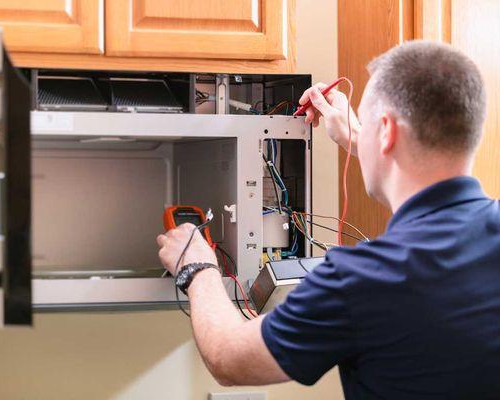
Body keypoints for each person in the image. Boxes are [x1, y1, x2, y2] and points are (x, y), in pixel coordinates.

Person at [156, 40, 500, 399]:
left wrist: (197, 267)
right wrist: (366, 142)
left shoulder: (360, 280)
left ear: (387, 132)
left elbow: (229, 357)